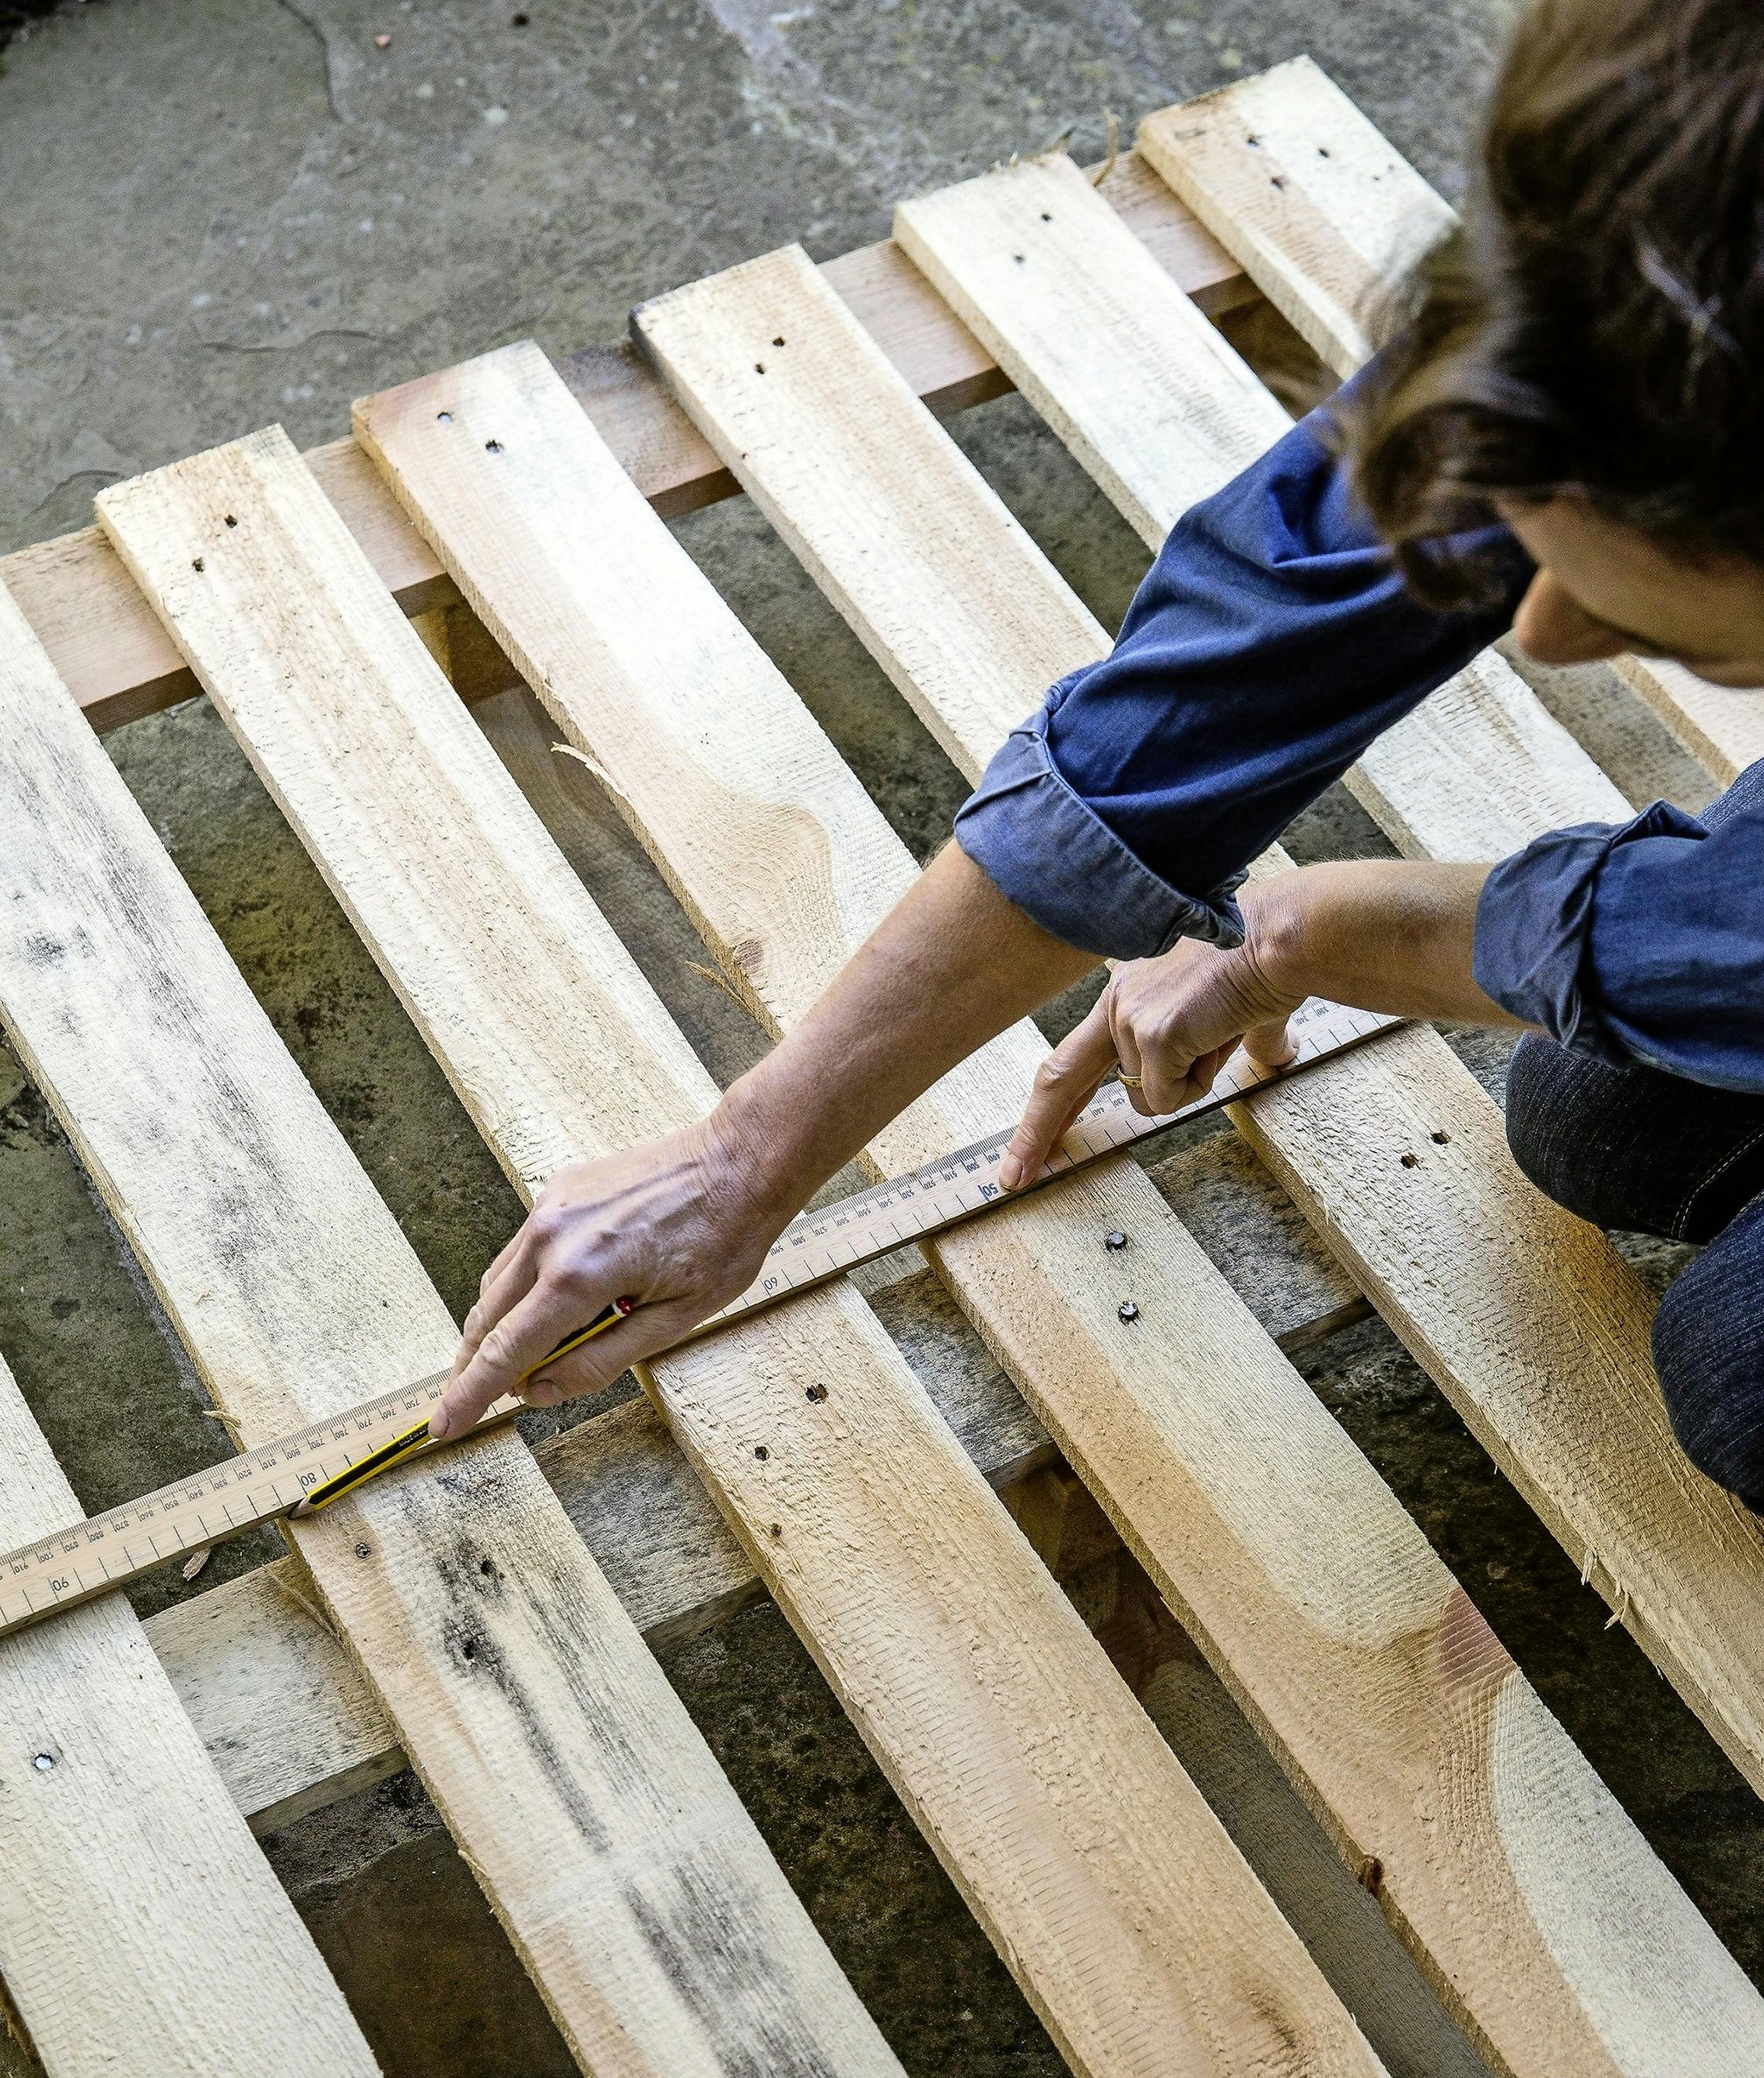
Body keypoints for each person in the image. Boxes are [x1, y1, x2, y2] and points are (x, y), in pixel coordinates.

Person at [430, 0, 1764, 1510]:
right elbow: (1276, 625)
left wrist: (1308, 934)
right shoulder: (1661, 214)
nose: (1543, 631)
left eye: (1656, 616)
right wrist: (751, 1153)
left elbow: (1730, 932)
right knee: (1596, 1114)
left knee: (1743, 1374)